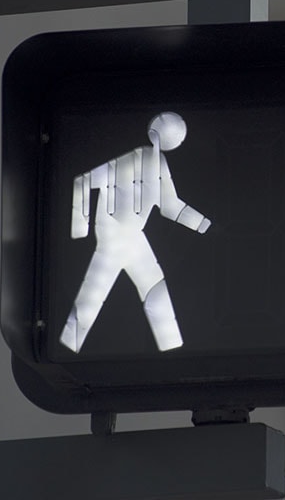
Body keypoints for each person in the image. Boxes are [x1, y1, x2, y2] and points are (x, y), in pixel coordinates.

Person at [59, 112, 211, 353]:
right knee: (92, 297)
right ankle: (67, 348)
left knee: (153, 289)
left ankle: (173, 352)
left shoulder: (158, 164)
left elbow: (170, 205)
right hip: (113, 237)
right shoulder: (127, 161)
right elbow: (83, 181)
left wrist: (201, 224)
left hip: (133, 238)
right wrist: (80, 228)